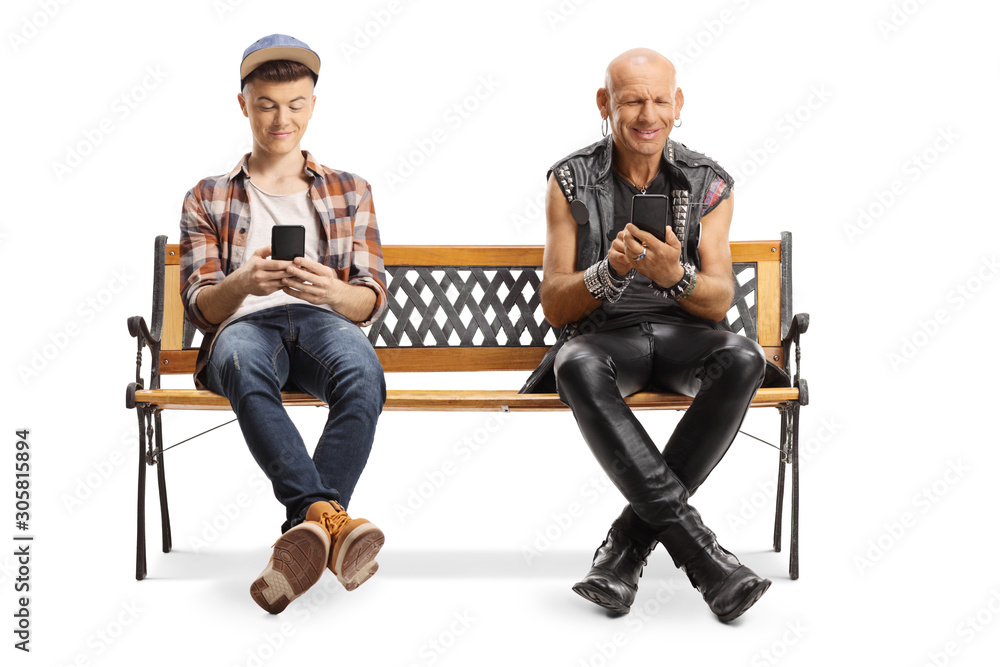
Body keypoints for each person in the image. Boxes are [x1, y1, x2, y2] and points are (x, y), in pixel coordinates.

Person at [522, 48, 771, 622]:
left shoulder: (709, 182)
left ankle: (624, 549)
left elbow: (719, 297)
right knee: (575, 362)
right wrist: (607, 274)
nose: (646, 114)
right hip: (608, 339)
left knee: (742, 358)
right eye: (632, 99)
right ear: (605, 104)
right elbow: (556, 305)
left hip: (685, 337)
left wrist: (674, 276)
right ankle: (707, 561)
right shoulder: (571, 179)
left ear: (678, 104)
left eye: (660, 99)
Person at [179, 34, 388, 614]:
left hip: (321, 321)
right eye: (268, 104)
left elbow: (370, 299)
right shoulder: (207, 196)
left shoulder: (351, 190)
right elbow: (200, 307)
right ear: (244, 105)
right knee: (244, 363)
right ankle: (332, 523)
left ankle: (308, 524)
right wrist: (244, 283)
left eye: (295, 104)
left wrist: (332, 290)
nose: (282, 118)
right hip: (245, 327)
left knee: (364, 375)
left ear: (313, 106)